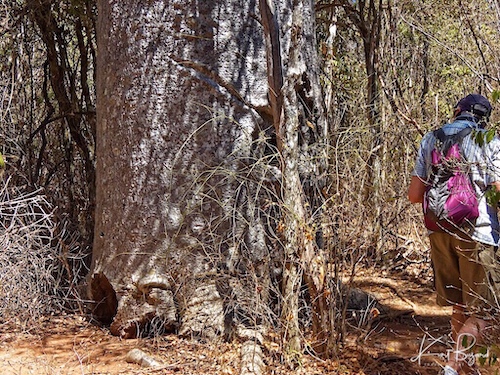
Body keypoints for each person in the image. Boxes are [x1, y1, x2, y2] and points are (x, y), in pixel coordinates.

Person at [408, 94, 500, 375]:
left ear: (456, 111)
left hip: (439, 232)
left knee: (460, 305)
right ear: (484, 117)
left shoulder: (431, 139)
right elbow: (497, 192)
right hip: (478, 234)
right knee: (485, 314)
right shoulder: (491, 142)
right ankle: (451, 368)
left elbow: (414, 195)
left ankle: (465, 370)